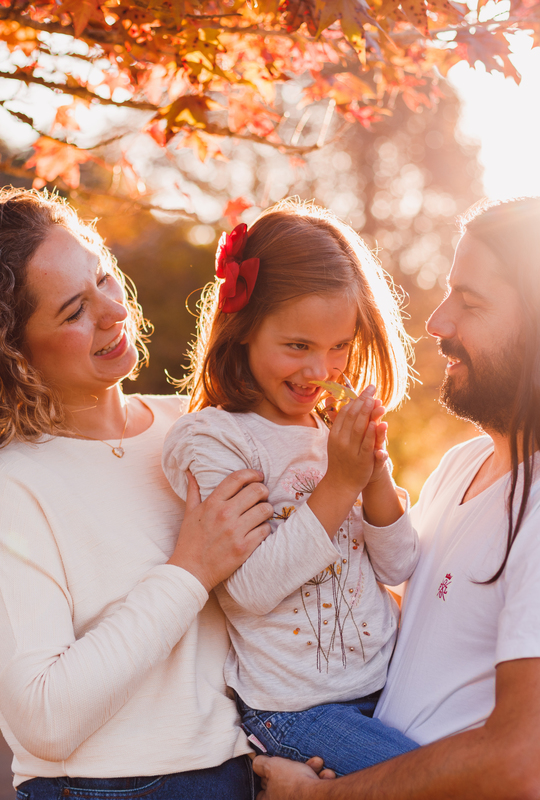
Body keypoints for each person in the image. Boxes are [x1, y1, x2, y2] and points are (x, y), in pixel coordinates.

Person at [253, 197, 540, 800]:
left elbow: (520, 762)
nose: (437, 322)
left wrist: (319, 797)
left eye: (471, 303)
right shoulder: (464, 465)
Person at [0, 187, 276, 799]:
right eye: (74, 310)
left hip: (243, 771)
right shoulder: (9, 490)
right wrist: (189, 570)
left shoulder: (198, 429)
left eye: (104, 277)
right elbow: (44, 717)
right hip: (108, 788)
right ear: (12, 353)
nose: (112, 311)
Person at [161, 201, 420, 776]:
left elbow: (400, 564)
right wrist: (339, 483)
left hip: (387, 686)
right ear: (244, 329)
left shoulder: (332, 431)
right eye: (298, 346)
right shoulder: (216, 440)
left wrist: (373, 472)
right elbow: (248, 591)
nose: (320, 371)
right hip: (294, 711)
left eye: (340, 347)